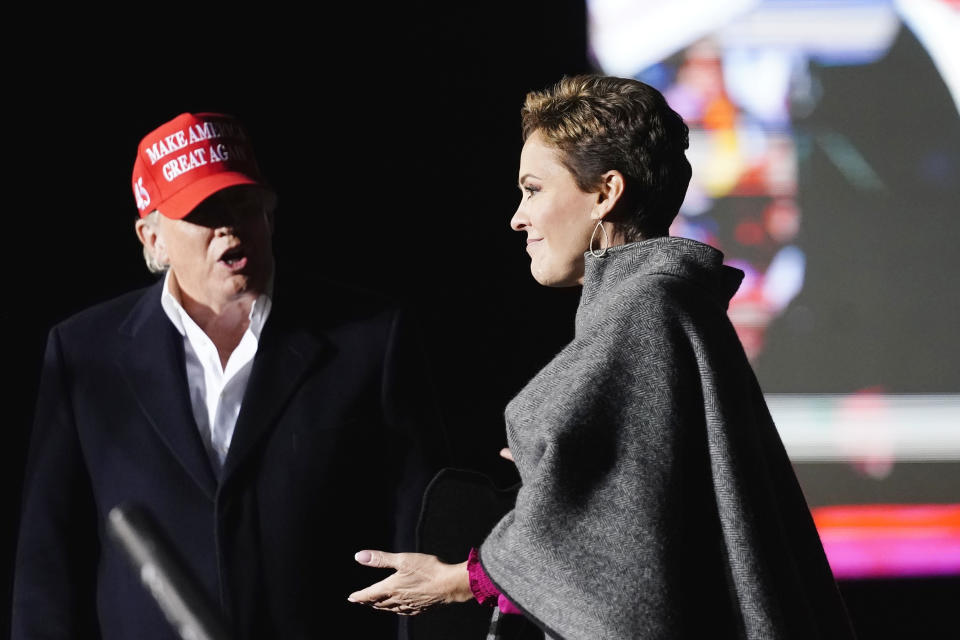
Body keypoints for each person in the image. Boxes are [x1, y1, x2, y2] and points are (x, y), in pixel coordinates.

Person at [348, 76, 856, 639]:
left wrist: (464, 579)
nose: (518, 217)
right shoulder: (666, 303)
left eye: (534, 189)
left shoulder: (646, 310)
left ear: (604, 193)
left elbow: (625, 569)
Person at [12, 112, 445, 639]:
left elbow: (419, 533)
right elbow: (48, 557)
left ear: (270, 215)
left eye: (243, 203)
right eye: (202, 211)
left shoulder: (368, 338)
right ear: (153, 238)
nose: (229, 225)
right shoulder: (84, 351)